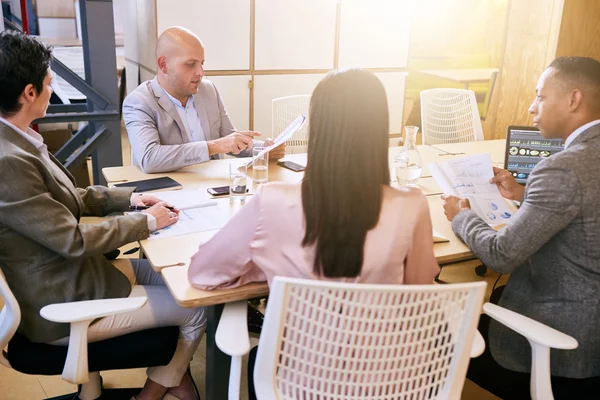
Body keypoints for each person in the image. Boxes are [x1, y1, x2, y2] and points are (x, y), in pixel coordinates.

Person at [188, 69, 440, 399]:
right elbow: (419, 294)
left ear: (319, 130)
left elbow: (202, 273)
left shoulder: (272, 202)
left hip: (298, 384)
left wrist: (262, 266)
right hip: (390, 383)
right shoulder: (412, 206)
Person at [0, 31, 204, 400]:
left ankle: (177, 383)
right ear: (29, 93)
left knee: (177, 276)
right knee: (194, 309)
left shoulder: (17, 140)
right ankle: (158, 393)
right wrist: (149, 221)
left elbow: (70, 196)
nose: (52, 90)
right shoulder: (9, 161)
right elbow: (71, 240)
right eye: (48, 84)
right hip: (62, 299)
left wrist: (132, 201)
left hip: (70, 275)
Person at [442, 56, 600, 399]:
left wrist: (461, 215)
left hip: (568, 344)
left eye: (541, 97)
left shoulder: (563, 168)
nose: (532, 108)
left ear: (573, 100)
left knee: (435, 329)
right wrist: (524, 193)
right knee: (497, 295)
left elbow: (502, 255)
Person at [123, 26, 285, 173]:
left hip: (210, 188)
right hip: (168, 193)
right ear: (164, 64)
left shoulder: (208, 90)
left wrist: (263, 149)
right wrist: (212, 147)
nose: (200, 72)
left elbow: (229, 139)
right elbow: (150, 159)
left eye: (201, 63)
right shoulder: (139, 102)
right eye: (191, 64)